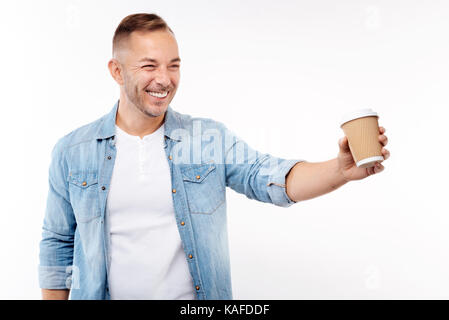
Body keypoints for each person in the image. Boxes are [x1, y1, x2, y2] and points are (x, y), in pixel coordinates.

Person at [38, 13, 390, 300]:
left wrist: (340, 170)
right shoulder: (73, 152)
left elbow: (269, 178)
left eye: (173, 65)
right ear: (116, 71)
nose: (164, 79)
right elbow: (57, 245)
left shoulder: (206, 139)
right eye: (149, 66)